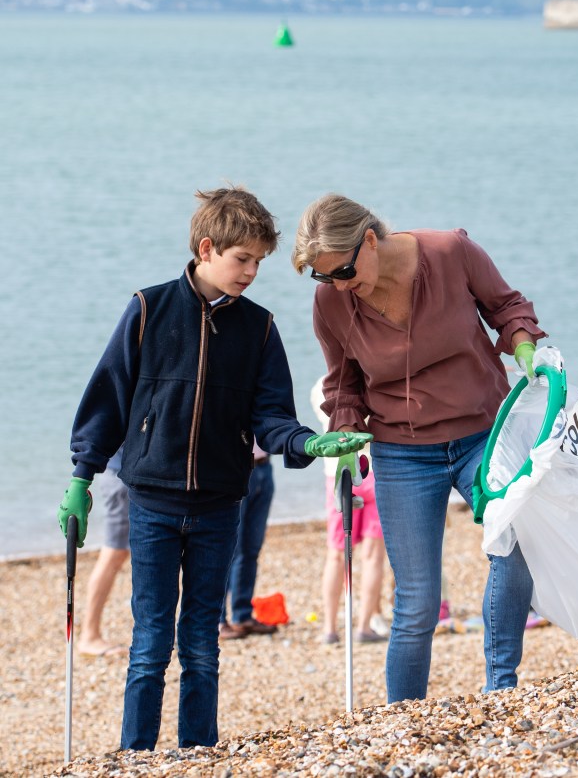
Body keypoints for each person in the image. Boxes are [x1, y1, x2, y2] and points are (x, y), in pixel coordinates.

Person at [57, 186, 371, 751]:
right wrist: (83, 476)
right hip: (151, 502)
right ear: (207, 248)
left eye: (259, 262)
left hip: (222, 505)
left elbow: (272, 416)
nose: (251, 272)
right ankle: (137, 754)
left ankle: (197, 752)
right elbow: (108, 396)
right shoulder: (148, 309)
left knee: (201, 641)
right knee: (151, 642)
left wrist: (309, 443)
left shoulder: (260, 328)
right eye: (242, 259)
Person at [291, 193, 545, 701]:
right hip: (403, 452)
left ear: (369, 240)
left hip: (482, 433)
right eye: (324, 277)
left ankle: (502, 686)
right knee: (418, 602)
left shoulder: (451, 252)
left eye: (343, 270)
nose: (339, 285)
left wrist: (523, 345)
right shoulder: (332, 302)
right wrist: (345, 433)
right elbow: (342, 384)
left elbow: (506, 305)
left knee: (513, 547)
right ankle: (401, 715)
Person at [311, 394, 390, 646]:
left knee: (336, 554)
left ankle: (330, 628)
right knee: (372, 555)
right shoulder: (368, 385)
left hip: (338, 471)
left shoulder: (321, 387)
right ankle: (363, 627)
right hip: (373, 468)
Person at [219, 439, 279, 640]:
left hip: (263, 466)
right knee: (227, 550)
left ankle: (242, 615)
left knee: (251, 549)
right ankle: (218, 620)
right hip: (234, 467)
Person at [78, 447, 130, 657]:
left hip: (125, 475)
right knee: (114, 553)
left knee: (127, 553)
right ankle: (89, 635)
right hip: (121, 478)